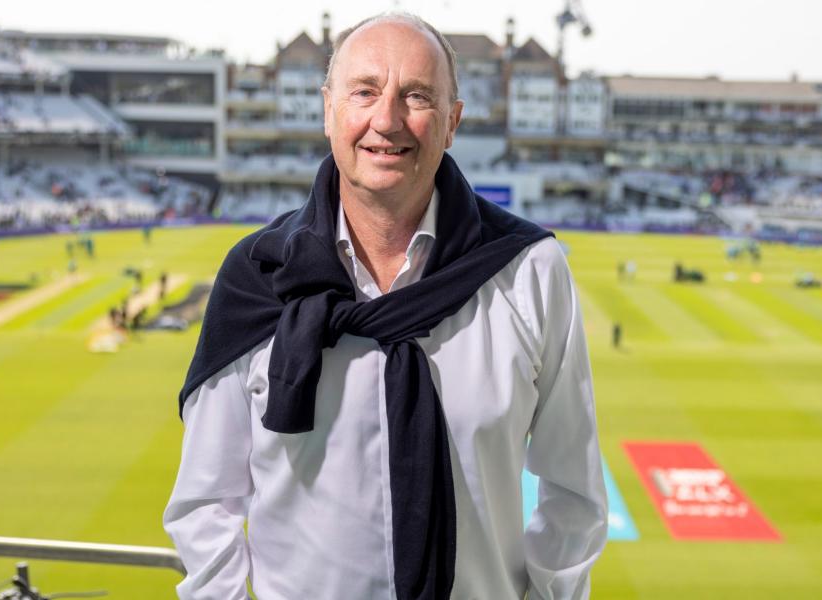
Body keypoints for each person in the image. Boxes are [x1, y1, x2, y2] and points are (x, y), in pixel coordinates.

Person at [164, 13, 607, 600]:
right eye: (365, 92)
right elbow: (204, 502)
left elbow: (572, 489)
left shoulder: (528, 270)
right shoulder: (257, 279)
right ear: (329, 111)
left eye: (417, 96)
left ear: (452, 122)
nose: (387, 120)